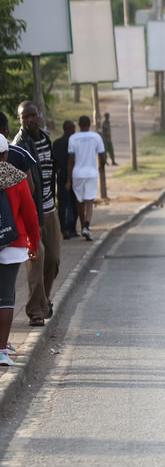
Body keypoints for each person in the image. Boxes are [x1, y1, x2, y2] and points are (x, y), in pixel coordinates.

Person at [13, 102, 60, 328]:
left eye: (33, 115)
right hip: (32, 212)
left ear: (39, 115)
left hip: (51, 209)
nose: (30, 120)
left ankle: (44, 300)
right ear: (20, 120)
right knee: (36, 261)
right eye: (25, 117)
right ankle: (35, 311)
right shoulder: (19, 145)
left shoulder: (45, 137)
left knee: (54, 259)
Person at [0, 137, 40, 367]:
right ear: (6, 154)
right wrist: (33, 245)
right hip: (12, 245)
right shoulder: (17, 177)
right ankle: (2, 350)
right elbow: (30, 215)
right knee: (5, 298)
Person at [66, 115, 106, 241]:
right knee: (89, 202)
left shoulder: (73, 138)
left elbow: (71, 161)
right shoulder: (96, 137)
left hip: (77, 174)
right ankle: (86, 227)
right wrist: (101, 167)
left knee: (80, 201)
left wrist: (68, 179)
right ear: (90, 124)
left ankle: (83, 225)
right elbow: (102, 156)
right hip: (91, 173)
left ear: (78, 125)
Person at [52, 120, 78, 240]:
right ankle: (73, 229)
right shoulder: (75, 142)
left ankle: (64, 230)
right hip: (75, 175)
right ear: (72, 128)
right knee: (74, 202)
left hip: (61, 176)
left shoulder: (56, 143)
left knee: (63, 203)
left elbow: (54, 161)